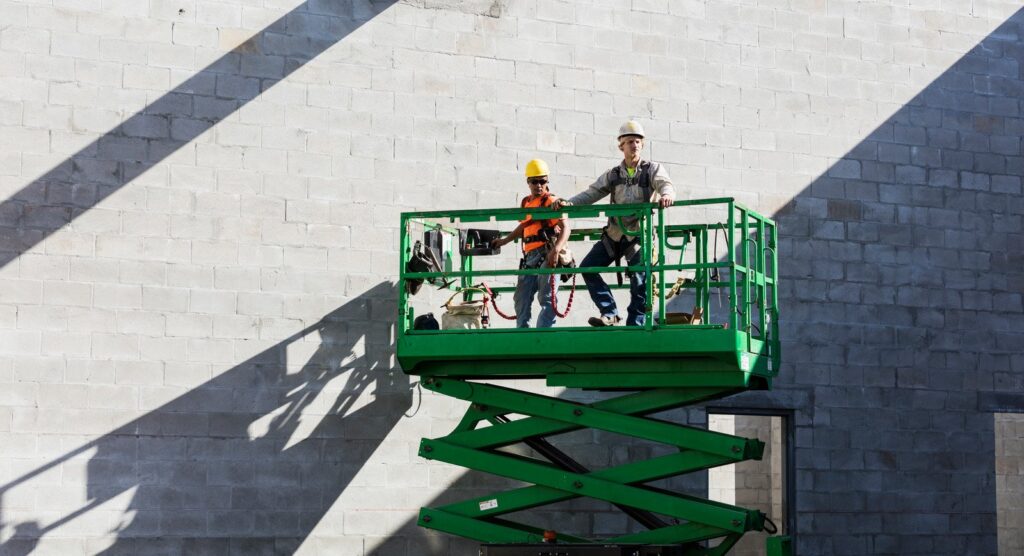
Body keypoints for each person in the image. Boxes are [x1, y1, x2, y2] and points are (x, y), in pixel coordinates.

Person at [555, 121, 674, 327]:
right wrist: (569, 203)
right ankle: (609, 313)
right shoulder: (614, 174)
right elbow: (592, 193)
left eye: (637, 141)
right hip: (615, 234)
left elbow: (666, 185)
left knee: (639, 278)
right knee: (588, 268)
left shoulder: (652, 170)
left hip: (640, 234)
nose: (634, 145)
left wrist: (666, 195)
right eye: (629, 142)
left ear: (642, 145)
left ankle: (636, 322)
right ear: (621, 146)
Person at [491, 159, 571, 328]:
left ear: (547, 181)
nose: (539, 185)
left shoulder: (551, 201)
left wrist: (555, 250)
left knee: (547, 297)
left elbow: (566, 228)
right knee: (521, 297)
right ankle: (522, 333)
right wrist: (505, 241)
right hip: (529, 257)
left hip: (546, 252)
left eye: (543, 181)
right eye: (535, 181)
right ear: (528, 182)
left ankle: (544, 334)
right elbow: (525, 225)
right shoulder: (527, 202)